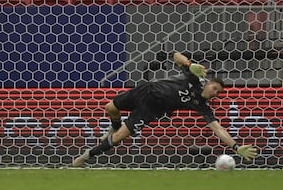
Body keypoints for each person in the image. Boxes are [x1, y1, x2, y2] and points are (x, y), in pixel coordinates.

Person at [73, 52, 257, 167]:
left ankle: (85, 156)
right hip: (145, 90)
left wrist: (236, 146)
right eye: (214, 88)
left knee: (121, 136)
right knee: (110, 107)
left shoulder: (203, 106)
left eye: (218, 93)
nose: (215, 93)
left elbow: (218, 129)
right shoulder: (195, 78)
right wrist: (189, 64)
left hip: (153, 108)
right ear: (208, 83)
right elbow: (176, 55)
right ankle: (113, 125)